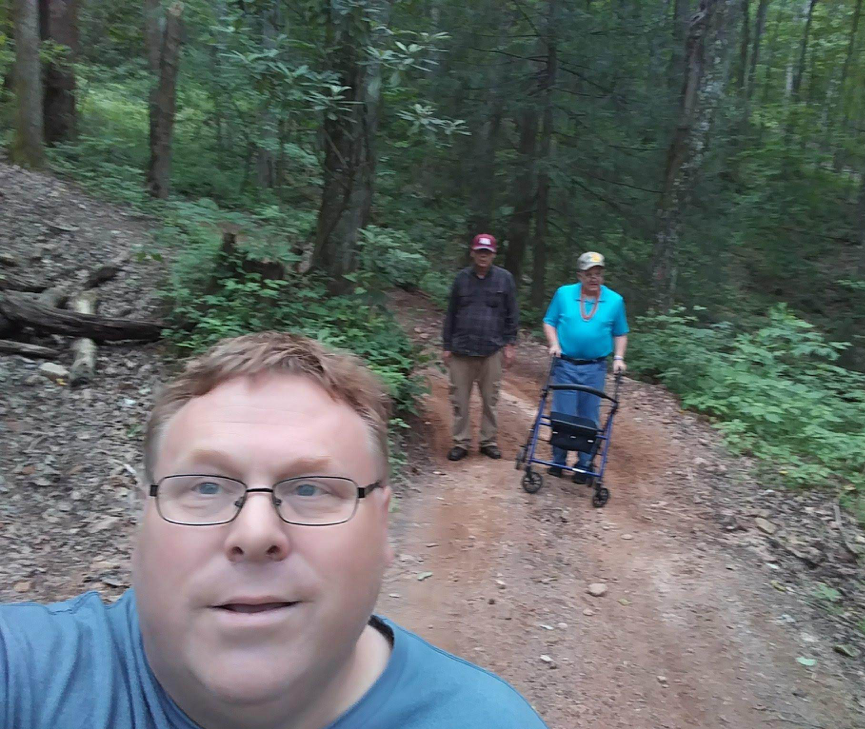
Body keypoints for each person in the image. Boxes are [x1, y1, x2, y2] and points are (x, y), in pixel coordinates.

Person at [0, 332, 548, 729]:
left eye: (310, 489)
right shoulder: (28, 673)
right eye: (206, 487)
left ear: (384, 527)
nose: (256, 532)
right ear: (141, 519)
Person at [543, 252, 629, 484]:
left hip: (595, 368)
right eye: (589, 274)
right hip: (565, 364)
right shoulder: (564, 294)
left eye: (598, 273)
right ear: (580, 275)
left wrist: (618, 357)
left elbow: (620, 332)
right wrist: (554, 344)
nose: (594, 278)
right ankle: (558, 461)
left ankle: (584, 464)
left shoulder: (615, 300)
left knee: (588, 417)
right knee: (563, 414)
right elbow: (549, 321)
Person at [441, 233, 519, 462]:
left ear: (493, 255)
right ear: (472, 253)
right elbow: (451, 314)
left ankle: (488, 441)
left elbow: (512, 313)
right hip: (461, 349)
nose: (483, 256)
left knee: (490, 399)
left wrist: (510, 344)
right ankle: (461, 442)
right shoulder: (461, 278)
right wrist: (446, 345)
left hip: (492, 349)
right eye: (479, 252)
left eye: (487, 252)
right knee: (459, 399)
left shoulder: (505, 279)